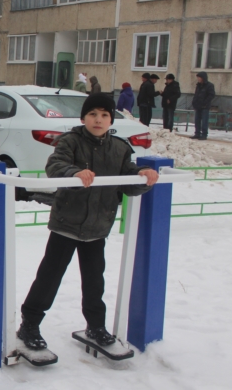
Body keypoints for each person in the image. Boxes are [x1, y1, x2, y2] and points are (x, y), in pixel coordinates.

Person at [16, 93, 159, 351]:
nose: (98, 119)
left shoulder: (119, 147)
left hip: (98, 226)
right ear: (83, 117)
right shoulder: (70, 141)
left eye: (104, 115)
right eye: (93, 114)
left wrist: (142, 176)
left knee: (94, 281)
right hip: (67, 223)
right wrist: (74, 173)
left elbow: (127, 177)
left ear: (111, 119)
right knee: (50, 276)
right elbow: (56, 166)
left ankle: (96, 325)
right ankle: (30, 323)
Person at [191, 71, 216, 140]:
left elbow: (211, 95)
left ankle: (204, 134)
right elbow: (196, 95)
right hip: (198, 105)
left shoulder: (209, 85)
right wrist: (194, 102)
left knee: (204, 120)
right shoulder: (198, 86)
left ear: (203, 78)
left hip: (205, 106)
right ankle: (197, 133)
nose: (198, 79)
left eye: (199, 77)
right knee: (197, 120)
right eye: (198, 78)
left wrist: (205, 102)